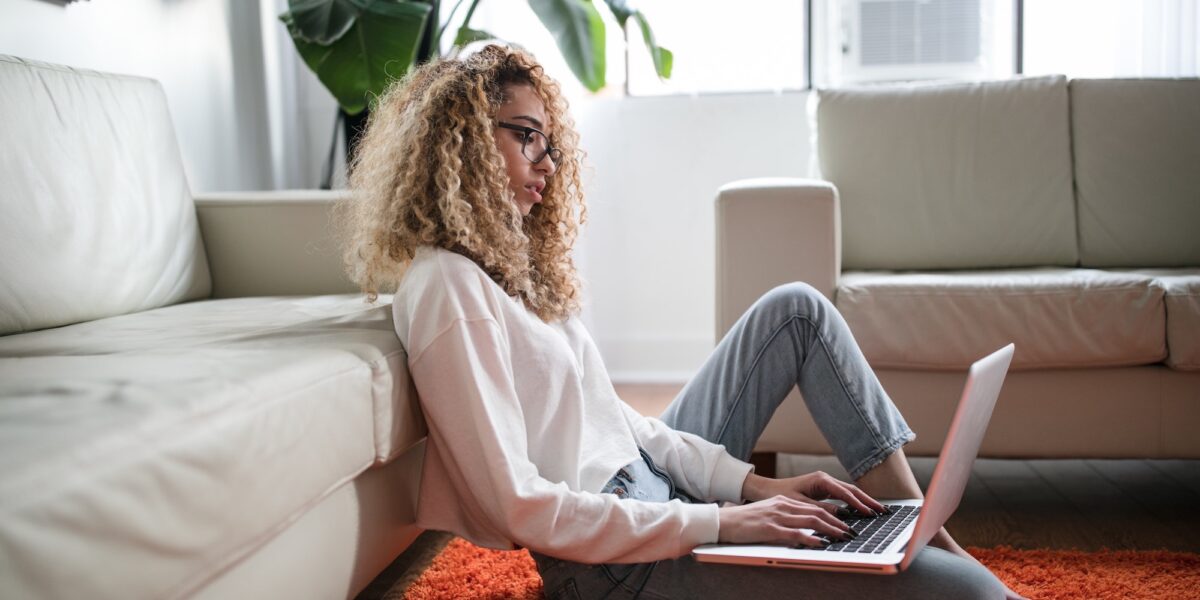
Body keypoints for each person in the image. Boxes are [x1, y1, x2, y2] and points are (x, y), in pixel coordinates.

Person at [339, 44, 1017, 600]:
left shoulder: (515, 272)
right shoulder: (446, 287)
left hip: (659, 499)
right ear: (462, 144)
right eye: (527, 138)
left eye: (551, 144)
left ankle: (914, 527)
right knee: (971, 596)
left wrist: (752, 487)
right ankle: (919, 551)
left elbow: (618, 421)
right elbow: (516, 505)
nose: (547, 163)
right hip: (616, 565)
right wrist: (721, 522)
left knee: (797, 311)